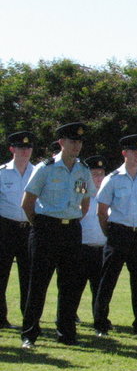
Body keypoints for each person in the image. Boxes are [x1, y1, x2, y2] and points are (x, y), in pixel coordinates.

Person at [20, 123, 97, 348]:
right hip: (46, 229)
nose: (77, 146)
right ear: (61, 143)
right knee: (38, 284)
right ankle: (29, 334)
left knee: (70, 285)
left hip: (71, 228)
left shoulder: (83, 169)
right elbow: (27, 203)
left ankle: (66, 333)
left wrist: (70, 220)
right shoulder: (45, 168)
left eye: (80, 142)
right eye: (72, 141)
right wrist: (42, 225)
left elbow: (85, 201)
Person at [93, 134, 137, 336]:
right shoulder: (113, 179)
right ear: (124, 153)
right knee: (107, 281)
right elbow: (101, 211)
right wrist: (108, 233)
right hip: (118, 233)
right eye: (133, 152)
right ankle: (101, 323)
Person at [0, 130, 36, 328]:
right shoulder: (2, 172)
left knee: (29, 275)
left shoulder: (38, 172)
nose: (25, 151)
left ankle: (28, 318)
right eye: (21, 148)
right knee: (1, 274)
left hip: (29, 228)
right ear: (12, 149)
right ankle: (0, 318)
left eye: (28, 147)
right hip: (5, 227)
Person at [74, 155, 108, 329]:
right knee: (75, 287)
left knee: (99, 288)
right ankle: (70, 315)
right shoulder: (81, 189)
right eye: (95, 174)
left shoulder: (107, 193)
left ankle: (100, 319)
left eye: (101, 173)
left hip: (101, 248)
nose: (99, 178)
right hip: (82, 247)